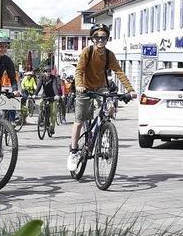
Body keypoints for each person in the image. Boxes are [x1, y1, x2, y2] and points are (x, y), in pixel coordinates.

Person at [66, 23, 137, 171]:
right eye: (97, 37)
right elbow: (79, 71)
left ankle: (105, 133)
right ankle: (73, 151)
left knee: (110, 106)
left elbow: (119, 72)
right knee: (79, 120)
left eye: (103, 38)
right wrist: (79, 86)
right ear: (92, 39)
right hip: (84, 87)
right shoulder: (87, 51)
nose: (100, 40)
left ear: (107, 39)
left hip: (101, 86)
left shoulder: (109, 55)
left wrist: (130, 89)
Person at [34, 66, 61, 134]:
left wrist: (56, 95)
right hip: (45, 96)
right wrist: (35, 94)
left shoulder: (53, 78)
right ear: (44, 72)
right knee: (40, 104)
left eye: (49, 71)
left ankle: (52, 126)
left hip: (53, 96)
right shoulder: (42, 77)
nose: (48, 73)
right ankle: (42, 117)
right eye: (46, 71)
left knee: (53, 112)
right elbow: (39, 86)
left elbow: (54, 86)